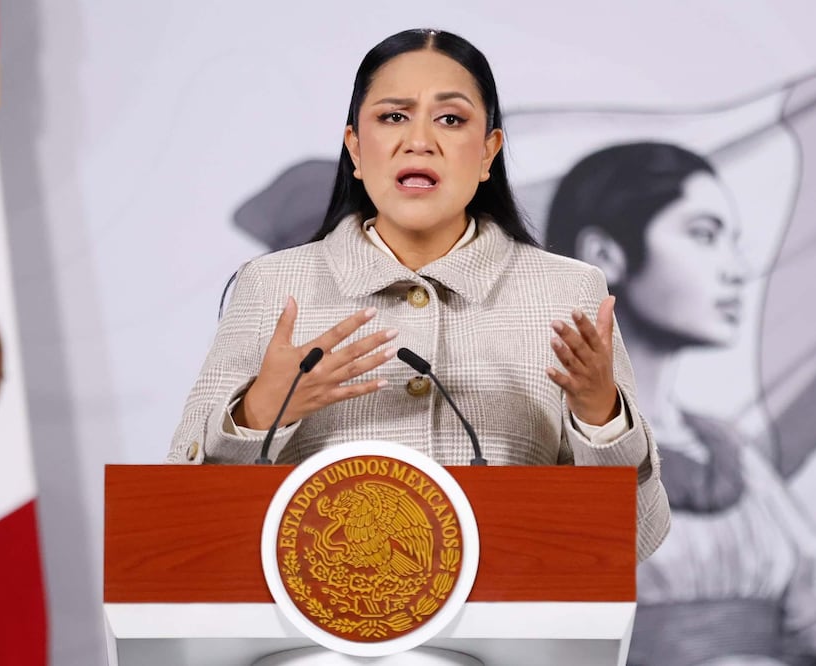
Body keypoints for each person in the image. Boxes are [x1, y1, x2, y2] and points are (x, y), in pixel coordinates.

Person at [166, 29, 670, 561]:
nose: (420, 140)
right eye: (392, 117)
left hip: (501, 635)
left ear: (488, 153)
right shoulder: (274, 288)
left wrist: (599, 417)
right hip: (319, 637)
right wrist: (257, 413)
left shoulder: (566, 291)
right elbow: (180, 515)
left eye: (451, 119)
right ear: (356, 148)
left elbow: (638, 539)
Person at [545, 141, 816, 665]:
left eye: (734, 242)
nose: (737, 269)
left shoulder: (737, 461)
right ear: (604, 256)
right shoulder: (537, 444)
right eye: (704, 235)